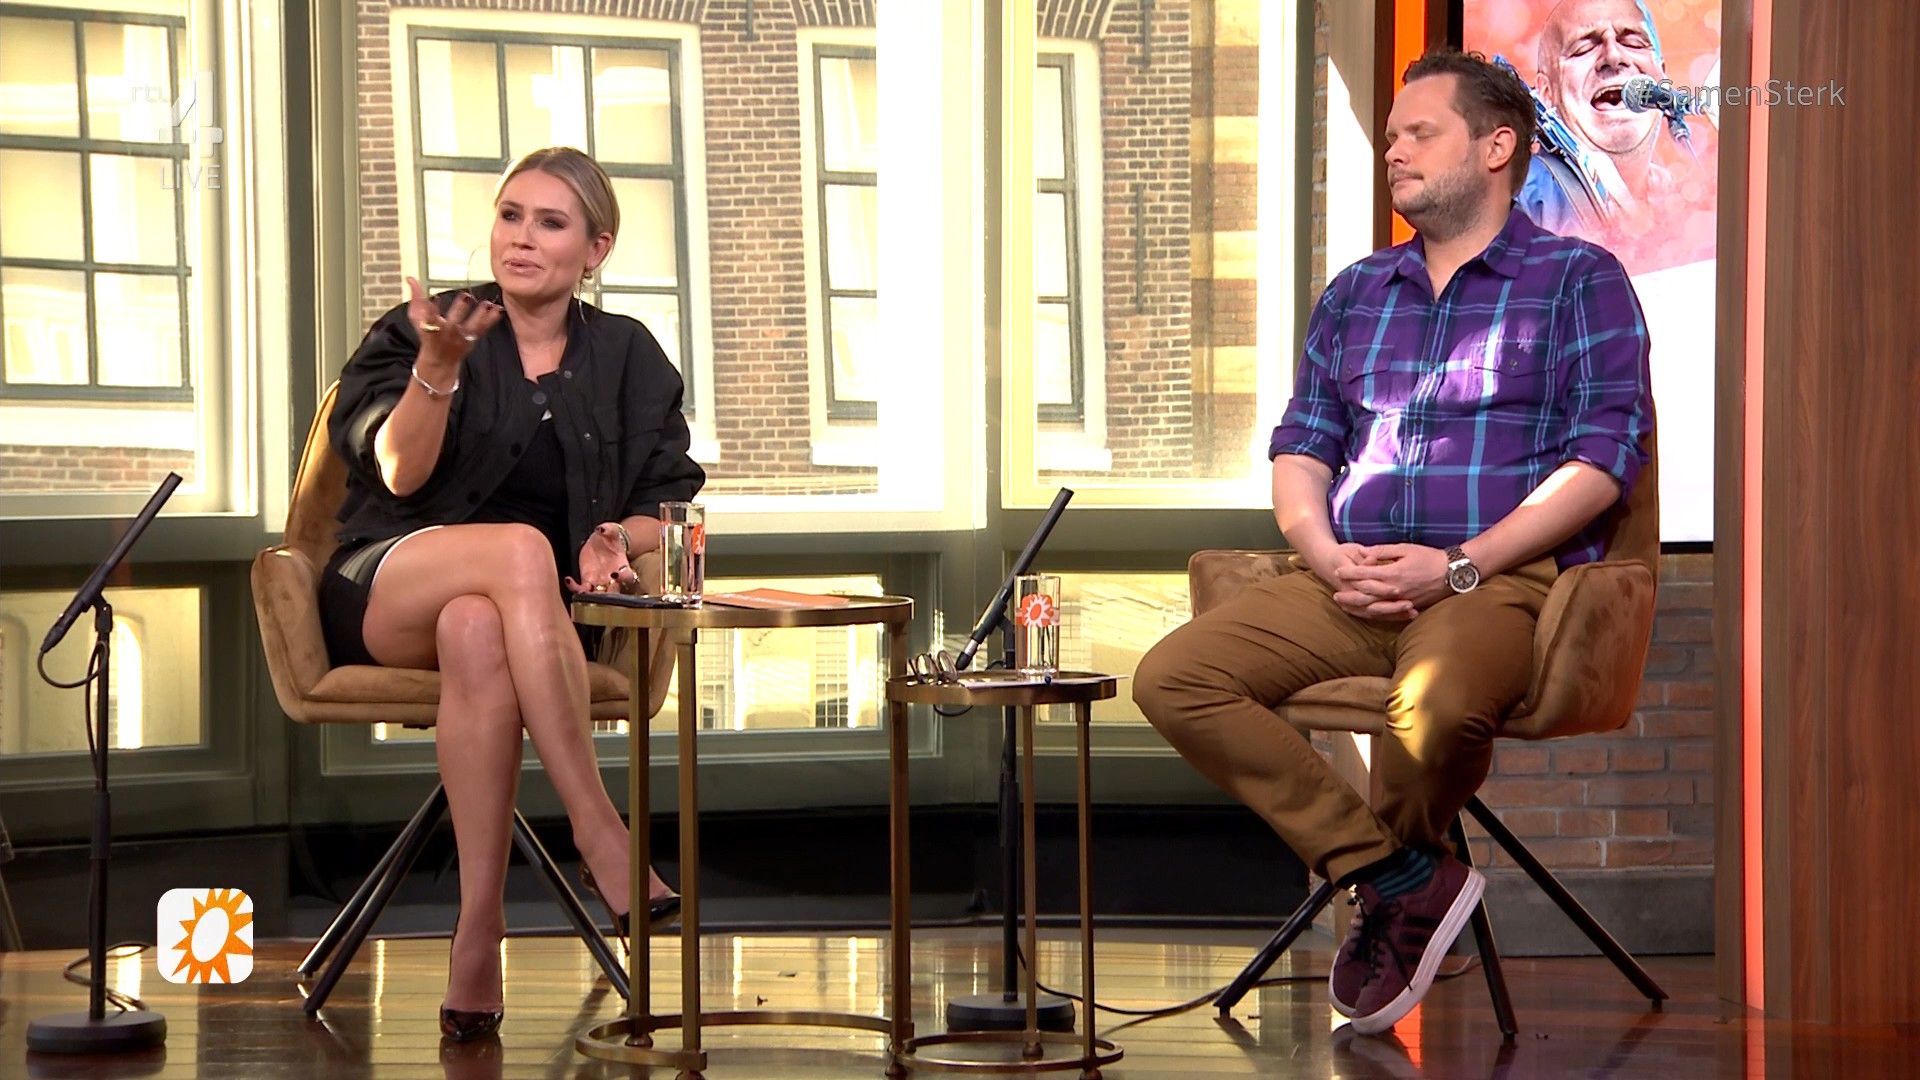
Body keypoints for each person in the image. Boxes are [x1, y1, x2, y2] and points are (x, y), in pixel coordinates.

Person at [1134, 51, 1652, 1035]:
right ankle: (1396, 874)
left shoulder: (1578, 282)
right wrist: (1323, 550)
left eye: (1421, 132)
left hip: (1492, 580)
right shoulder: (1357, 292)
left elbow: (1602, 461)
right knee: (1173, 678)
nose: (1394, 150)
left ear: (1496, 147)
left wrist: (1460, 564)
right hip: (1349, 575)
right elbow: (1301, 447)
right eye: (1390, 136)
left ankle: (1397, 892)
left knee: (1434, 709)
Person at [321, 146, 705, 1042]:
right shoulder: (424, 329)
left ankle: (477, 935)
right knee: (515, 553)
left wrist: (617, 539)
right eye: (509, 216)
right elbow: (396, 473)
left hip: (526, 619)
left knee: (477, 627)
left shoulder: (628, 354)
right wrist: (437, 370)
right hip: (392, 579)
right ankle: (600, 834)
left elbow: (669, 501)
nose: (521, 238)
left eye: (550, 222)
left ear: (595, 250)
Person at [1517, 0, 1681, 239]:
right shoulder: (1524, 200)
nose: (1613, 56)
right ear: (1546, 93)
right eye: (1583, 48)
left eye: (1634, 43)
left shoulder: (1683, 196)